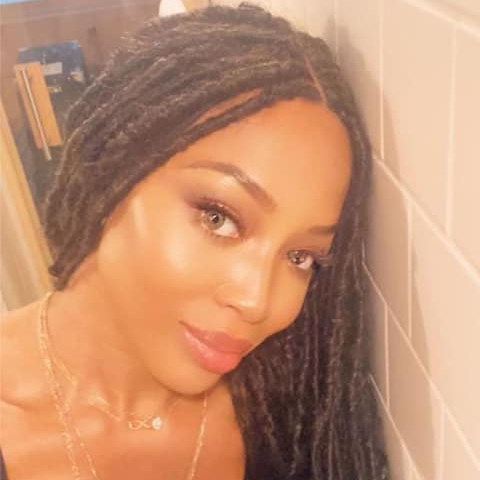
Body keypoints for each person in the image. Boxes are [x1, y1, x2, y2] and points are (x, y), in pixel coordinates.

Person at [0, 4, 389, 480]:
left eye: (300, 257)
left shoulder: (292, 416)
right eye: (218, 218)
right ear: (111, 171)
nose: (257, 300)